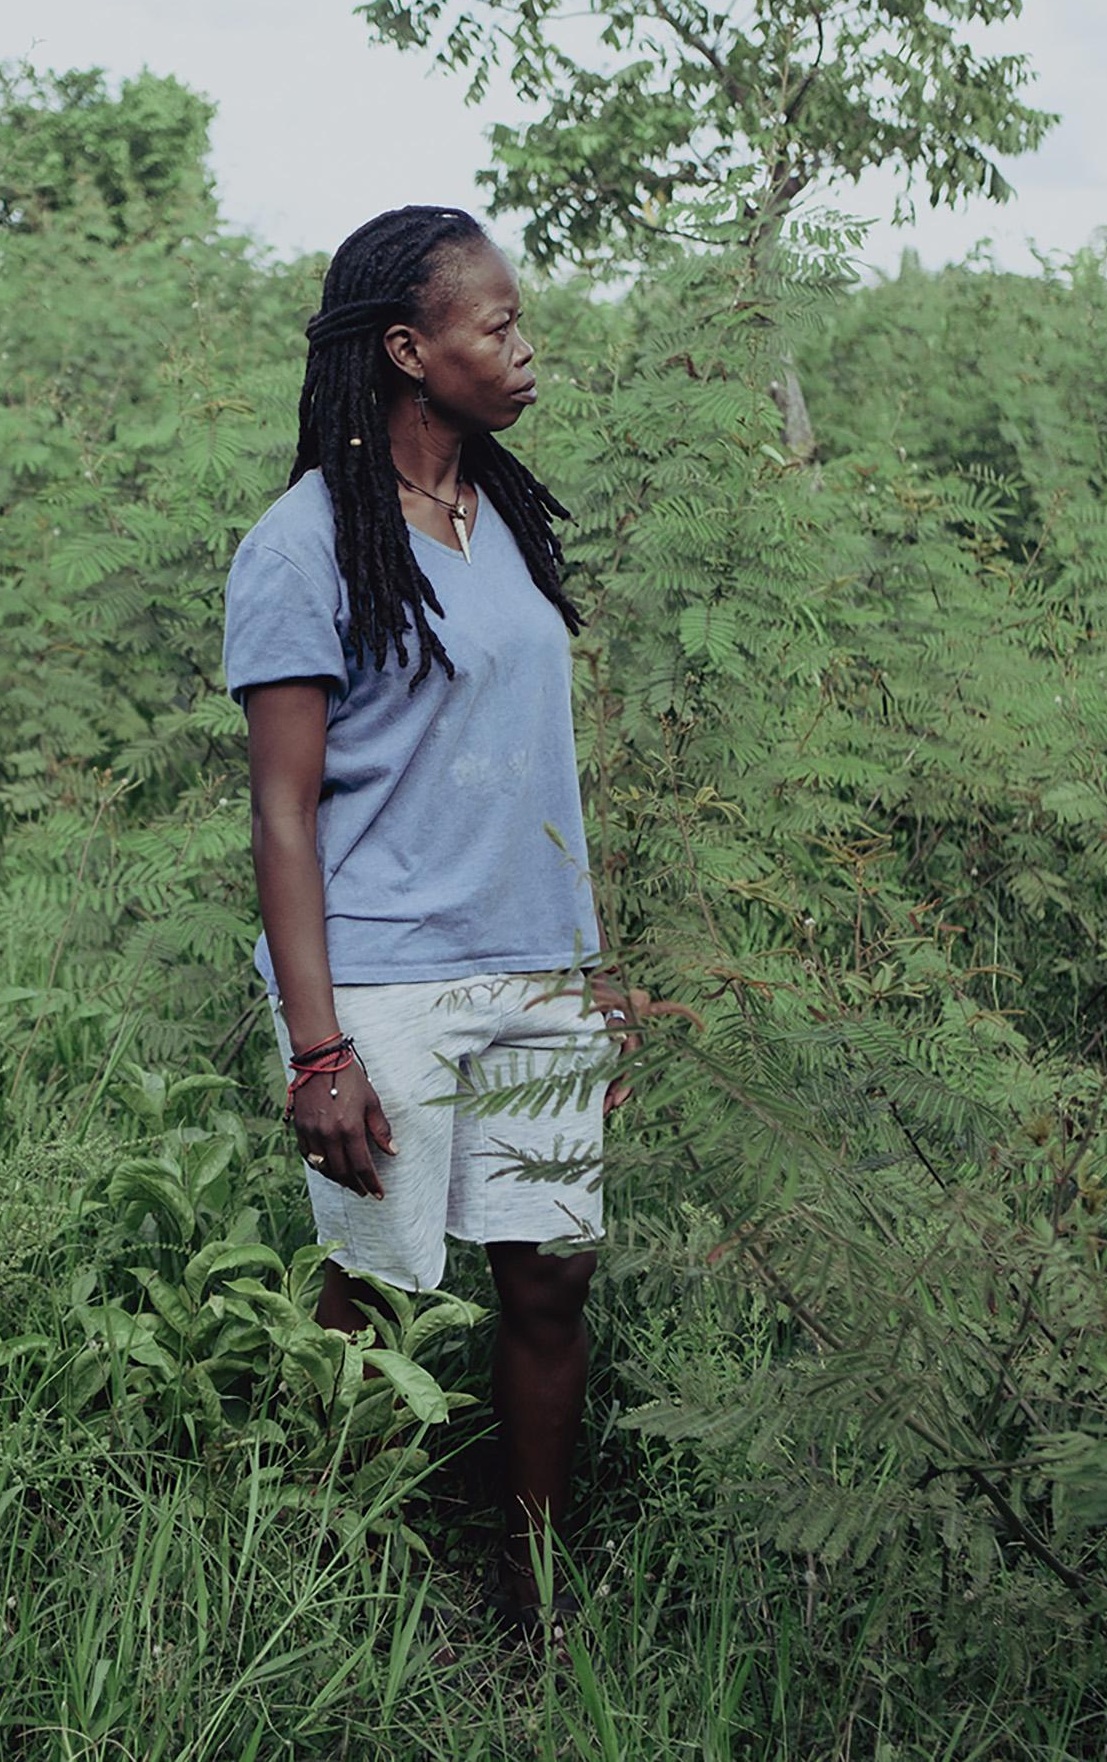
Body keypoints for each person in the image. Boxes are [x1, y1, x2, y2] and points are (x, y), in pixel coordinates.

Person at [221, 203, 644, 1643]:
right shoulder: (303, 545)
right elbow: (284, 812)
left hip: (534, 976)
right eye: (497, 327)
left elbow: (531, 765)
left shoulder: (505, 518)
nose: (526, 350)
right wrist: (319, 1047)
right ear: (408, 352)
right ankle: (335, 1601)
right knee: (379, 1299)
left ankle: (528, 1598)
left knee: (551, 1282)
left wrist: (589, 973)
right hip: (386, 983)